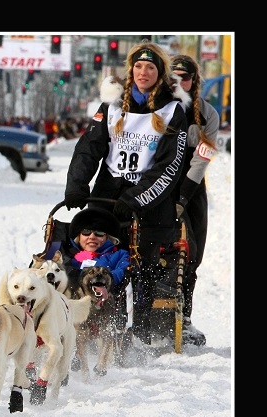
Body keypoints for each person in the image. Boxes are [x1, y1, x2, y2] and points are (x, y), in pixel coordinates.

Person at [62, 41, 189, 346]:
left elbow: (169, 166)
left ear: (160, 74)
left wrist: (136, 198)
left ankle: (140, 333)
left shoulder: (173, 110)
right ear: (131, 70)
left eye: (150, 67)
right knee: (96, 260)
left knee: (142, 268)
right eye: (138, 66)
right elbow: (89, 148)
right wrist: (77, 184)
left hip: (150, 204)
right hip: (107, 196)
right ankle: (98, 329)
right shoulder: (112, 104)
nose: (143, 72)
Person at [169, 55, 219, 347]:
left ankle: (185, 317)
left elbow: (203, 156)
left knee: (193, 252)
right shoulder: (157, 109)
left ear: (194, 80)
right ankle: (142, 317)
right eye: (174, 77)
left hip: (193, 184)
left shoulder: (208, 114)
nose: (180, 82)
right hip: (157, 184)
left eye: (185, 77)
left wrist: (184, 195)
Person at [62, 207, 130, 289]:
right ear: (78, 236)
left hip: (107, 295)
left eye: (99, 233)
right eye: (86, 232)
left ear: (108, 237)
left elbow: (122, 271)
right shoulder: (69, 255)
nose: (92, 237)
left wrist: (103, 278)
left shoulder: (120, 255)